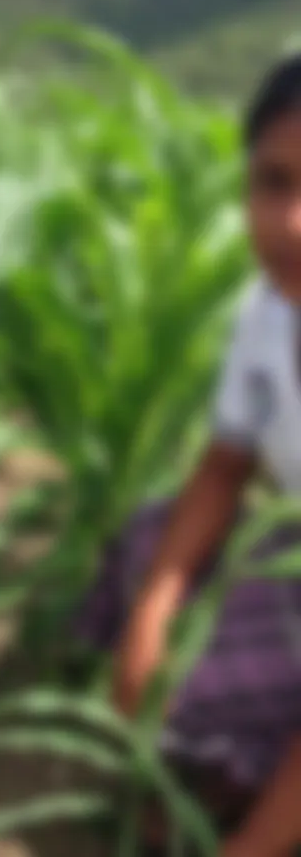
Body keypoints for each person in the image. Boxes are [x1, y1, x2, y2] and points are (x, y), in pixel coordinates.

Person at [77, 54, 301, 857]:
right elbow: (222, 465)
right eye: (275, 183)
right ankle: (184, 790)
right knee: (140, 546)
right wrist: (153, 612)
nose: (293, 222)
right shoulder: (271, 309)